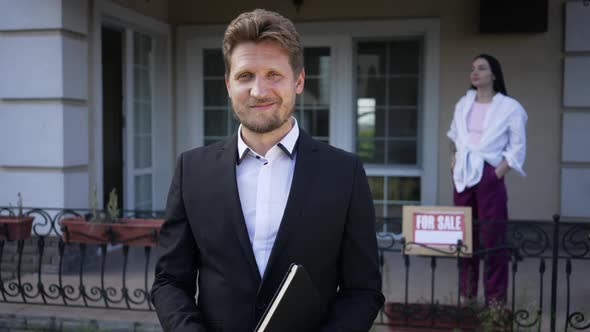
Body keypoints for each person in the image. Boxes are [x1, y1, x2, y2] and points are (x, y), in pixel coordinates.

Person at [151, 9, 384, 332]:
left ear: (299, 81)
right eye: (245, 75)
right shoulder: (192, 170)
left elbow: (363, 290)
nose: (259, 91)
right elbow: (169, 282)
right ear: (228, 84)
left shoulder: (345, 173)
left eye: (273, 74)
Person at [447, 54, 527, 306]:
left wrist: (498, 173)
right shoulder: (464, 103)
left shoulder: (509, 107)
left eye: (481, 68)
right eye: (472, 68)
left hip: (489, 174)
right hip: (463, 175)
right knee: (465, 237)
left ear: (494, 74)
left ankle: (495, 300)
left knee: (493, 238)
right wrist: (454, 159)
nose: (475, 72)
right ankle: (467, 295)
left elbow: (517, 147)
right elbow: (454, 135)